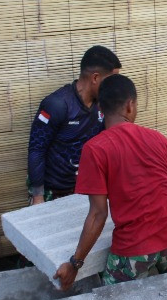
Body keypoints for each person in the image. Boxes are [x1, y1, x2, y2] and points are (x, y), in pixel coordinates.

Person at [54, 74, 167, 290]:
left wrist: (74, 264)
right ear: (130, 105)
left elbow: (98, 214)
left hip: (133, 249)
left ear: (100, 110)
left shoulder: (96, 149)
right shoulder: (159, 139)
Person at [27, 46, 121, 205]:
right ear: (95, 78)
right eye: (111, 80)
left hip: (85, 189)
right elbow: (37, 149)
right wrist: (38, 196)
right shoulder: (57, 104)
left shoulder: (104, 104)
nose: (114, 87)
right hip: (53, 192)